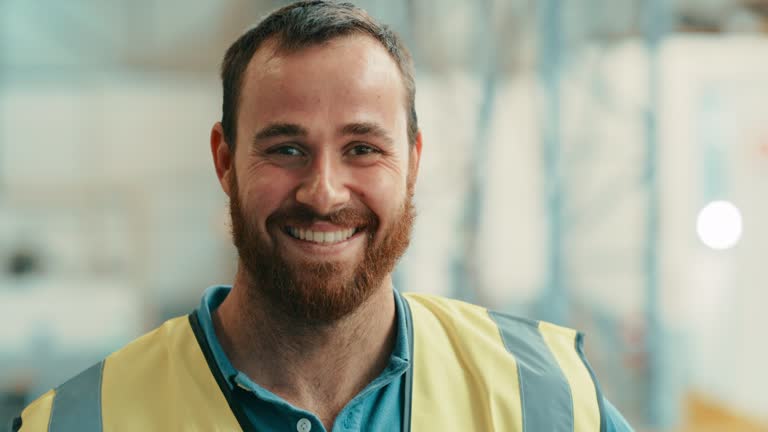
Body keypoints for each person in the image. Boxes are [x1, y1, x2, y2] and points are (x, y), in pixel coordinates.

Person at [12, 1, 633, 431]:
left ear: (412, 162)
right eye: (286, 149)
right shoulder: (77, 422)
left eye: (363, 148)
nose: (324, 191)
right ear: (224, 161)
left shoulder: (546, 399)